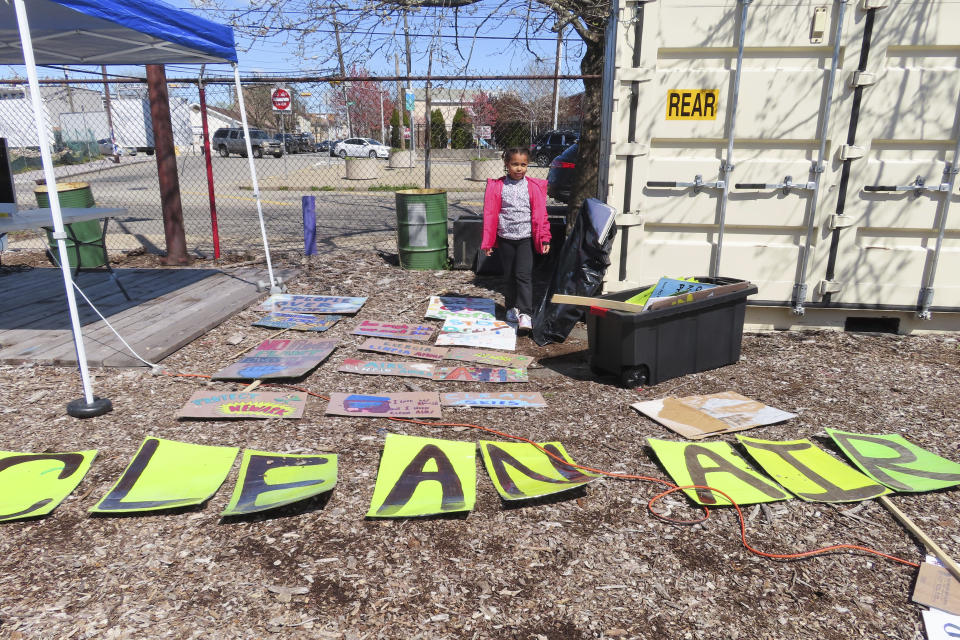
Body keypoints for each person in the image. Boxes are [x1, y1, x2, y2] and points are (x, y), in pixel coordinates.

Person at [481, 147, 551, 331]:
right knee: (509, 276)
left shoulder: (533, 187)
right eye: (515, 164)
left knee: (524, 276)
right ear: (507, 164)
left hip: (526, 239)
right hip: (506, 239)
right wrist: (488, 242)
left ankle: (526, 313)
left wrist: (544, 238)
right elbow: (489, 215)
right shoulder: (498, 186)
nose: (519, 168)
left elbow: (542, 215)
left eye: (523, 164)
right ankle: (511, 309)